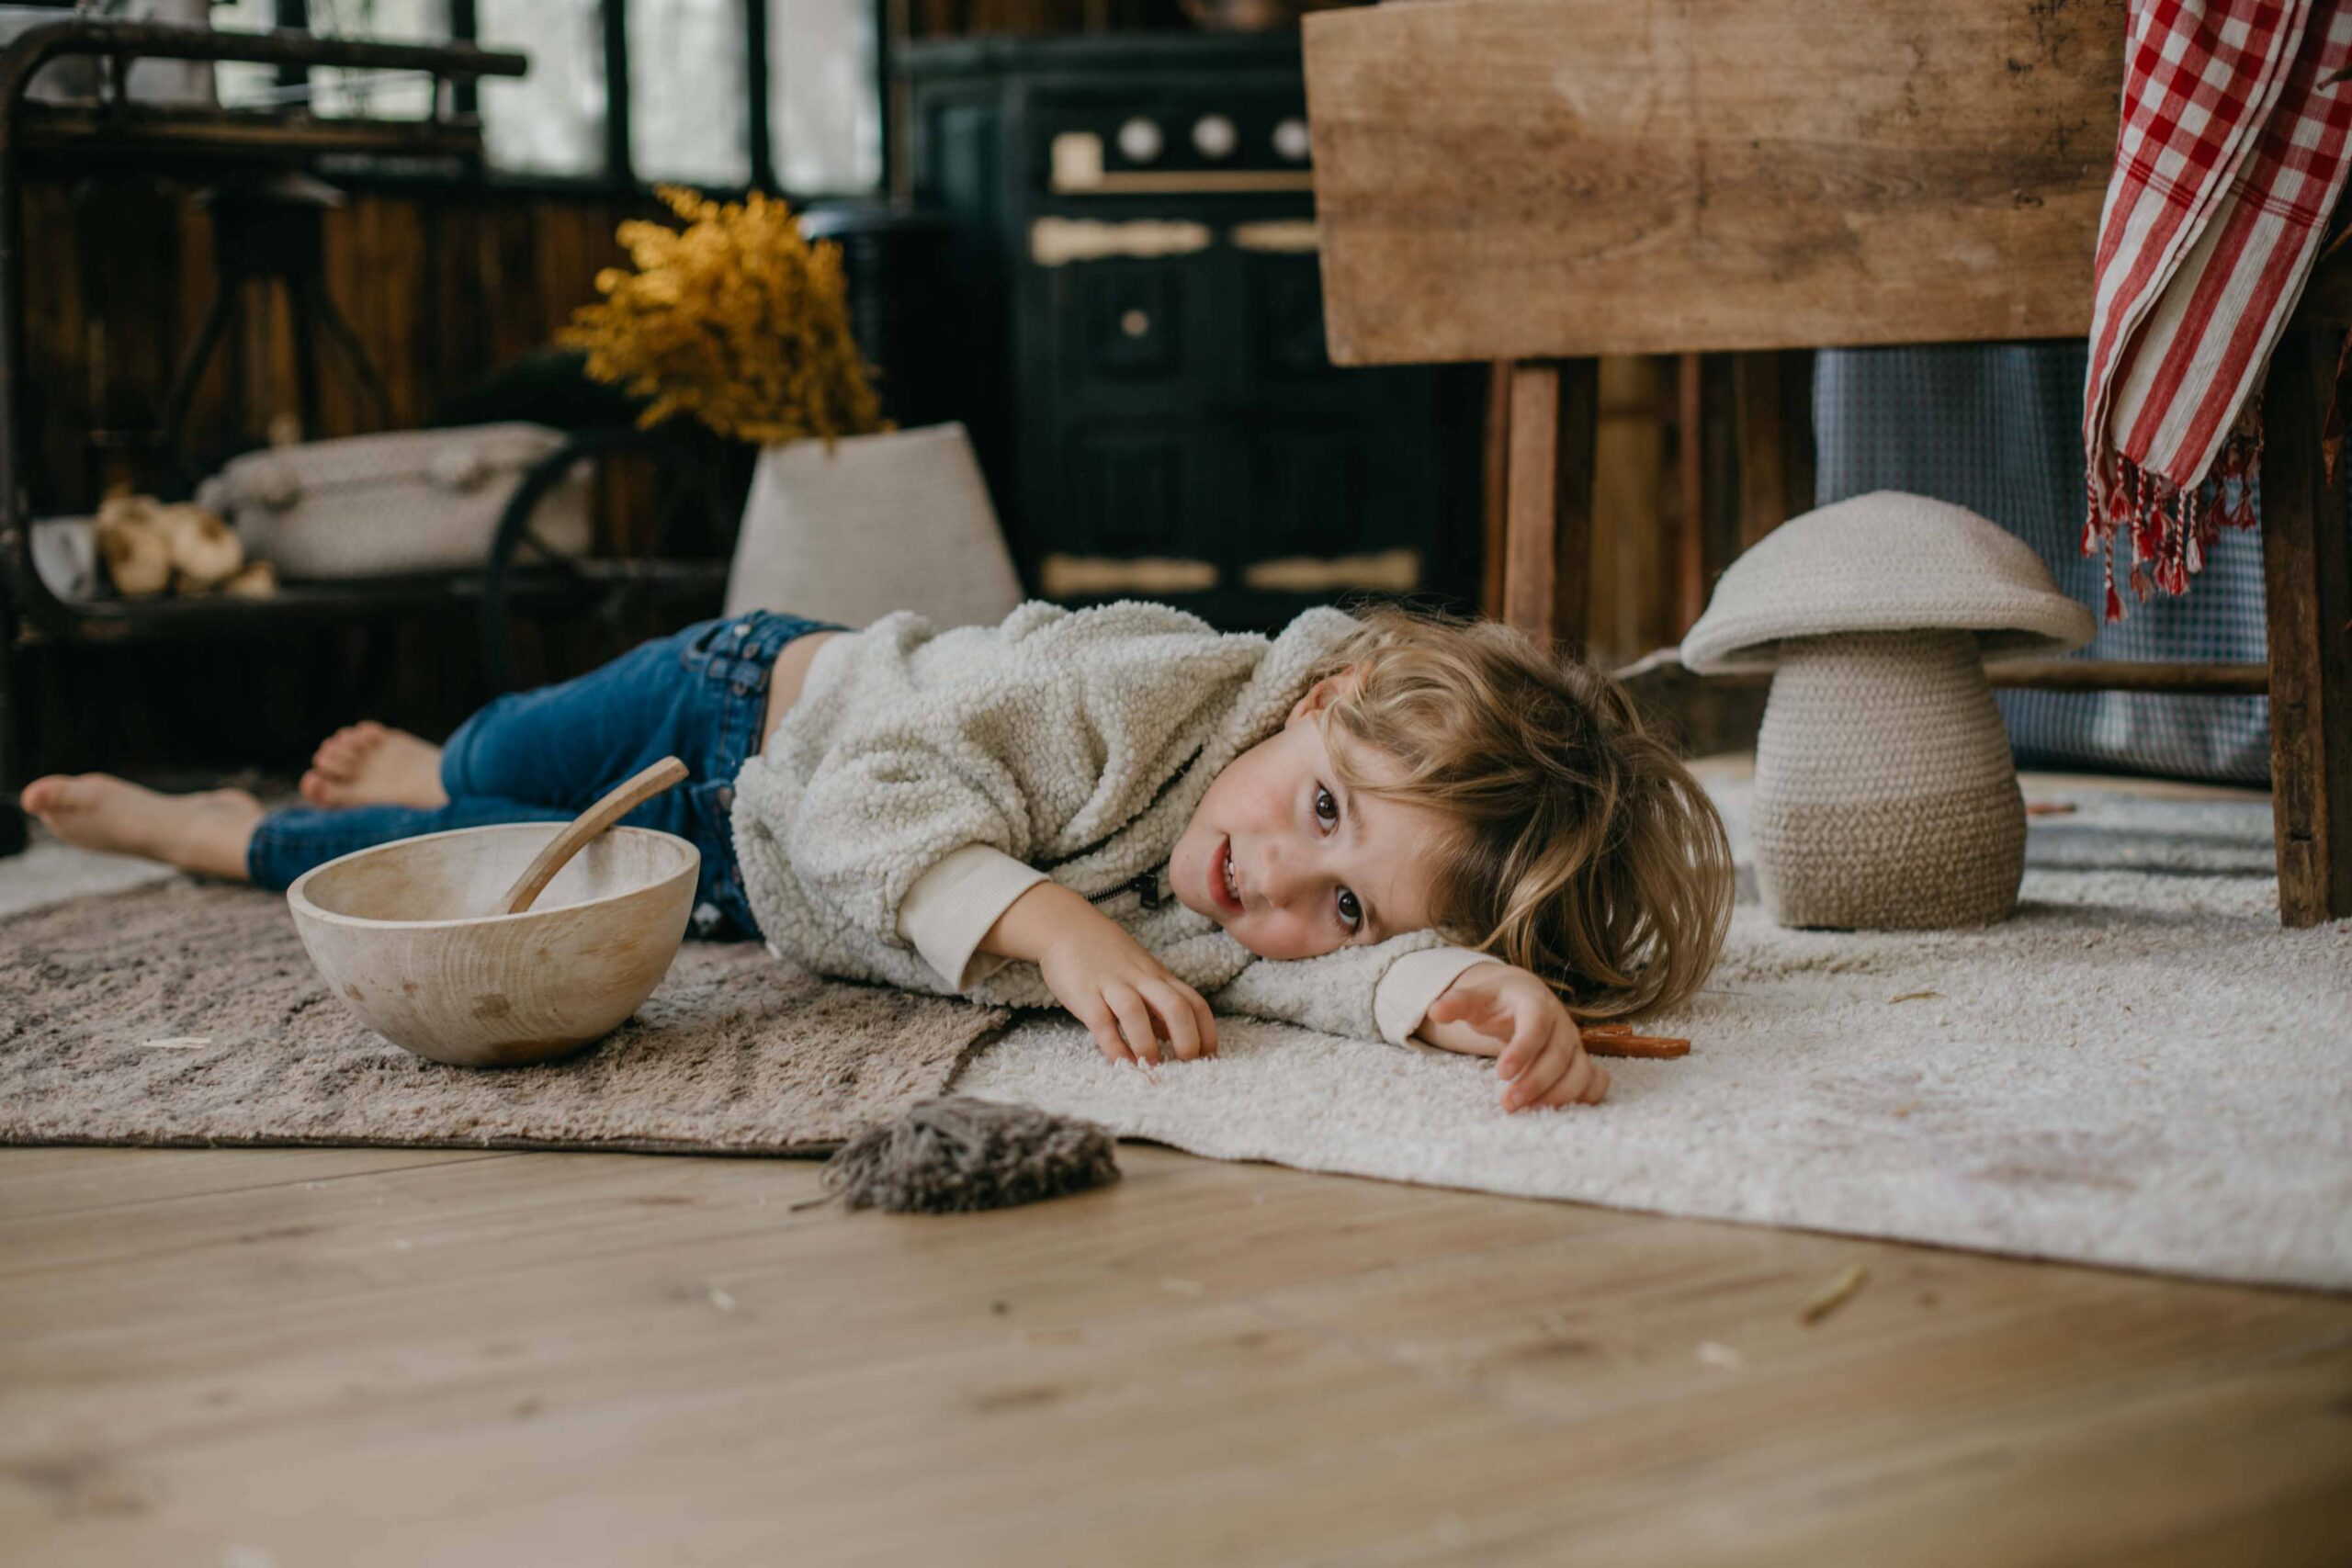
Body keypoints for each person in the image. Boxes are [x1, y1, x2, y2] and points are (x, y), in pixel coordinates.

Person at [18, 599, 1734, 1112]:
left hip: (747, 869)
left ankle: (380, 786)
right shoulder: (1135, 698)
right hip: (741, 716)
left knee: (507, 872)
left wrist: (1457, 990)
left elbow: (1312, 974)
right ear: (1325, 696)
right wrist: (1052, 923)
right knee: (477, 794)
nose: (1275, 886)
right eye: (1324, 814)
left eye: (1346, 902)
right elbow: (879, 791)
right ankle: (212, 823)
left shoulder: (1253, 909)